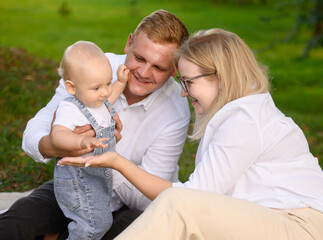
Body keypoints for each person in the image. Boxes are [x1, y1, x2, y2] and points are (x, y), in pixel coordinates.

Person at [59, 28, 323, 240]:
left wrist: (117, 161)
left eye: (188, 82)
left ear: (220, 77)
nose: (183, 91)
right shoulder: (235, 113)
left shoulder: (246, 117)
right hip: (269, 219)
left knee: (177, 205)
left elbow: (191, 198)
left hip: (299, 227)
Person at [0, 9, 190, 240]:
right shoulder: (91, 67)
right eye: (139, 58)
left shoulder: (175, 110)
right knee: (17, 222)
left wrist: (106, 159)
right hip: (76, 185)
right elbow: (32, 135)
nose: (143, 72)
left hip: (133, 204)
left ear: (175, 69)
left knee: (116, 234)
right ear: (129, 43)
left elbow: (147, 196)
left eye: (159, 67)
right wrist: (65, 145)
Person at [51, 40, 129, 240]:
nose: (105, 92)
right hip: (78, 180)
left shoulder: (97, 102)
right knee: (93, 225)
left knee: (100, 221)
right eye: (97, 88)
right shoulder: (70, 108)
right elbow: (57, 134)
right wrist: (80, 142)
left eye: (108, 84)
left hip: (98, 178)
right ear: (71, 87)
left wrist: (120, 82)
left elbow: (107, 100)